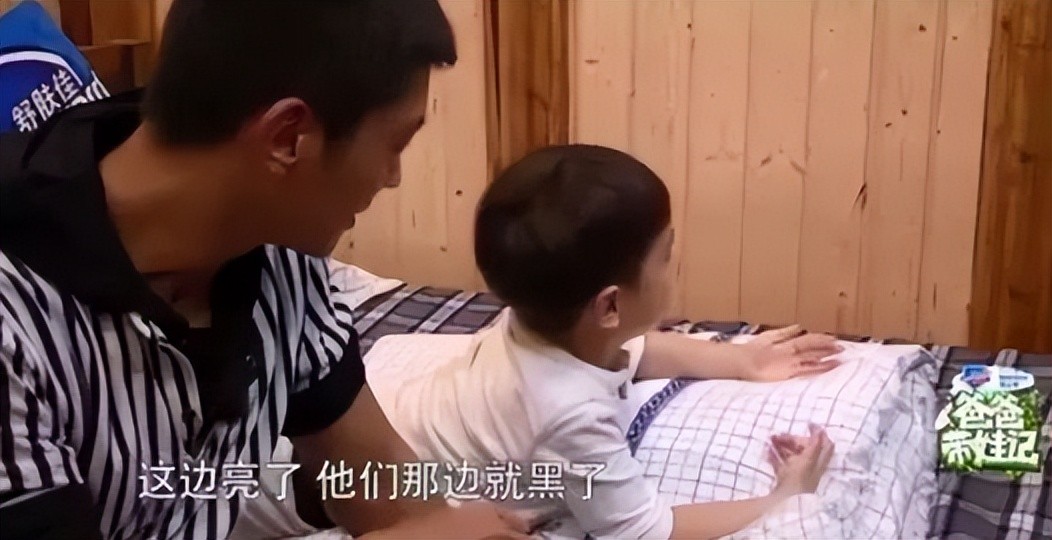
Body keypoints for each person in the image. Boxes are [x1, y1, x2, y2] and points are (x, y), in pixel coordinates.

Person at [0, 1, 526, 538]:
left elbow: (371, 472)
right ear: (287, 137)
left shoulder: (279, 250)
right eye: (395, 145)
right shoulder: (16, 322)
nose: (392, 177)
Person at [379, 145, 842, 539]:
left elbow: (633, 351)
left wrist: (742, 362)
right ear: (610, 307)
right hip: (402, 494)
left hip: (394, 437)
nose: (674, 265)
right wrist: (782, 498)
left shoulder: (541, 318)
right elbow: (644, 530)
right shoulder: (570, 411)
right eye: (665, 255)